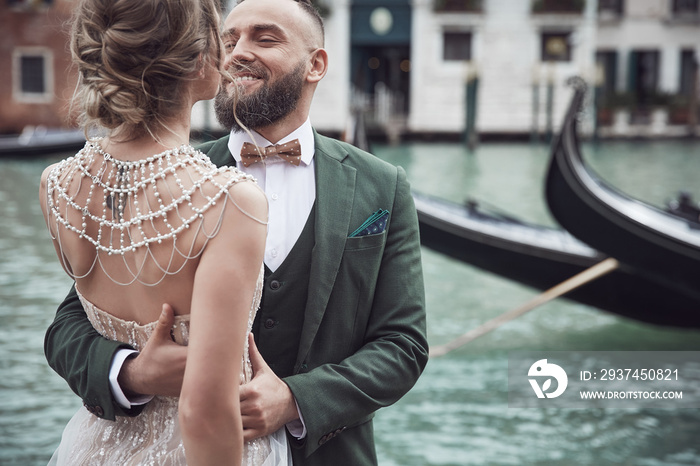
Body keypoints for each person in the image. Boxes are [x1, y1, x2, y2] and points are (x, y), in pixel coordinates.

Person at [44, 0, 429, 464]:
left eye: (264, 39)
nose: (235, 54)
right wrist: (132, 373)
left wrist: (295, 400)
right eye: (227, 40)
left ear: (316, 65)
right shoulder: (162, 177)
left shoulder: (382, 185)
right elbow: (71, 322)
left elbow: (403, 344)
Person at [40, 0, 290, 464]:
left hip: (96, 448)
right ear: (200, 60)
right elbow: (205, 413)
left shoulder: (57, 185)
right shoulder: (230, 200)